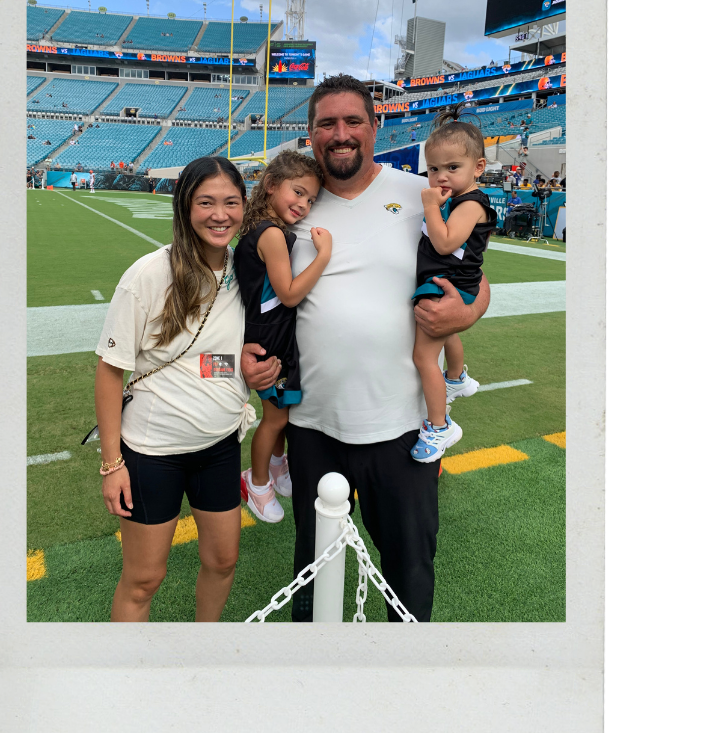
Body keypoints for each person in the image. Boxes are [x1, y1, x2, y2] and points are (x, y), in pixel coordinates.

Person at [240, 74, 490, 623]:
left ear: (375, 127)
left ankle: (403, 667)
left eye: (353, 121)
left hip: (402, 426)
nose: (341, 134)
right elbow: (250, 292)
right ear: (311, 133)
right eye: (327, 123)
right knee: (314, 569)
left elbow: (474, 277)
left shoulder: (420, 193)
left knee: (409, 566)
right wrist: (245, 354)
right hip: (313, 424)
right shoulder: (294, 205)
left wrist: (468, 312)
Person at [94, 156, 264, 623]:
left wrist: (244, 365)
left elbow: (199, 361)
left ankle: (202, 646)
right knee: (144, 579)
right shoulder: (149, 274)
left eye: (231, 202)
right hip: (153, 453)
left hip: (220, 445)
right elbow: (110, 371)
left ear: (244, 206)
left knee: (223, 561)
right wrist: (112, 464)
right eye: (206, 202)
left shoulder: (245, 270)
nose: (220, 214)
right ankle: (128, 666)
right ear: (185, 206)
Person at [234, 151, 331, 524]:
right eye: (298, 192)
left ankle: (276, 465)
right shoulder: (272, 234)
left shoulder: (263, 227)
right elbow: (288, 294)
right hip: (269, 339)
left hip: (272, 333)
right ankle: (257, 483)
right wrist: (323, 256)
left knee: (282, 412)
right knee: (275, 419)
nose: (304, 205)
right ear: (272, 185)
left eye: (311, 200)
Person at [410, 114, 496, 462]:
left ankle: (439, 426)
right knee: (446, 333)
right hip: (453, 282)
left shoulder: (470, 203)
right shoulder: (463, 199)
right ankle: (458, 377)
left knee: (423, 357)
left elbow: (445, 243)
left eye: (452, 167)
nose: (441, 176)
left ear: (478, 167)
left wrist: (431, 206)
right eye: (433, 169)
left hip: (449, 284)